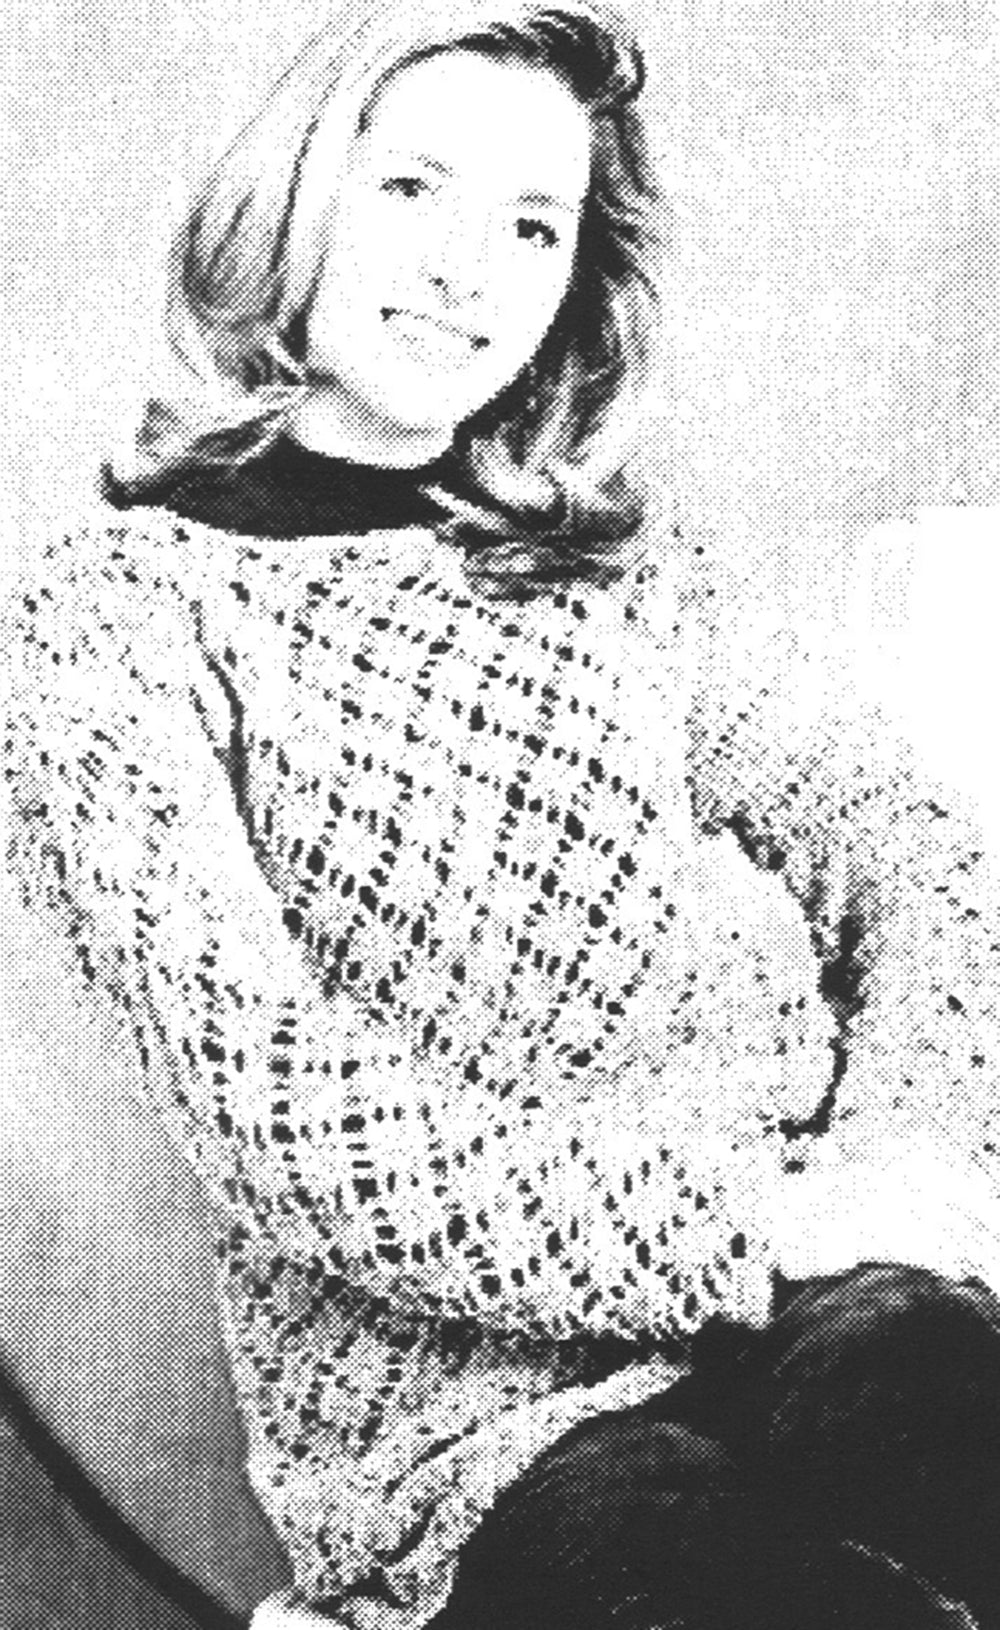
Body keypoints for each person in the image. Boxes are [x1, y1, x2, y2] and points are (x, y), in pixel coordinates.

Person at [5, 2, 1000, 1627]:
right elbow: (285, 1119)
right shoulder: (115, 613)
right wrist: (749, 1226)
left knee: (952, 1413)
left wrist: (904, 1164)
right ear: (294, 199)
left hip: (833, 1290)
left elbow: (911, 843)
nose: (469, 269)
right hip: (464, 1421)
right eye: (413, 189)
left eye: (534, 224)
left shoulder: (623, 570)